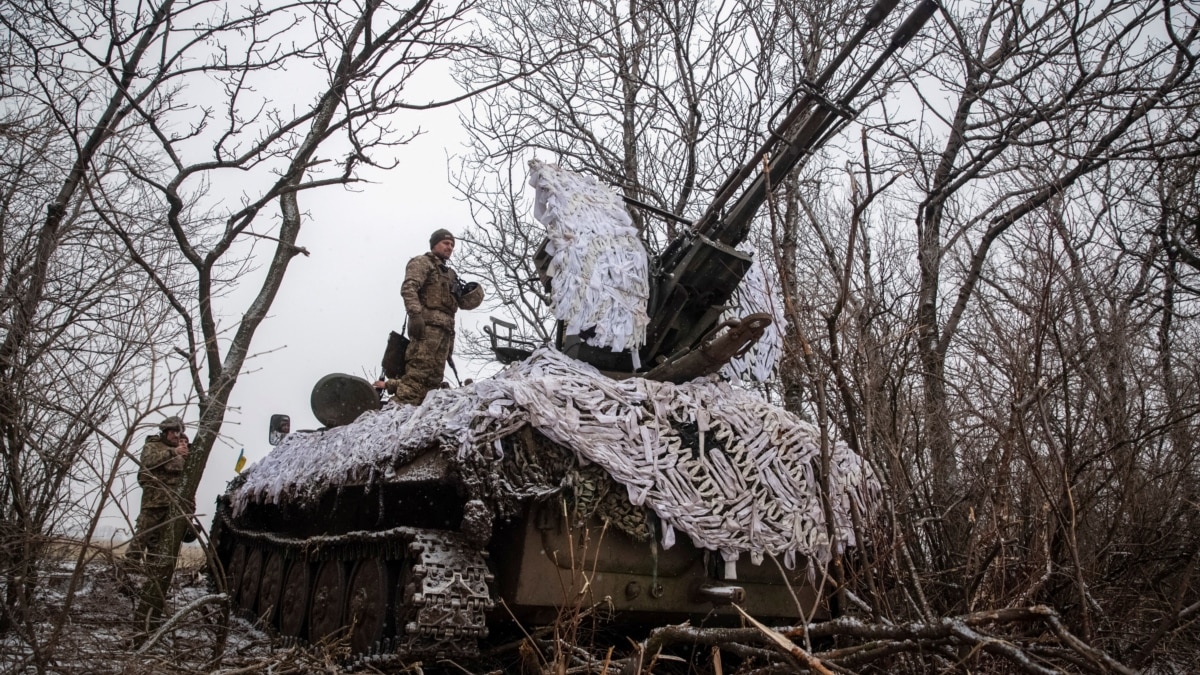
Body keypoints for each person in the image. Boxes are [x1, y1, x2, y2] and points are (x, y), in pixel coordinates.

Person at [376, 228, 484, 405]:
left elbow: (462, 304)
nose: (449, 247)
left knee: (433, 382)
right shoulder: (422, 262)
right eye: (445, 243)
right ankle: (397, 408)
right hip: (426, 329)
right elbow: (409, 288)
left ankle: (415, 412)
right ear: (435, 244)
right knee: (418, 376)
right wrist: (415, 314)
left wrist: (472, 292)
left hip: (446, 332)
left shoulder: (450, 274)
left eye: (452, 245)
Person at [128, 416, 191, 562]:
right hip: (153, 502)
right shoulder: (153, 446)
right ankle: (130, 567)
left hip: (172, 503)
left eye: (178, 432)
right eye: (173, 432)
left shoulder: (181, 451)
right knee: (142, 536)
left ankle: (151, 572)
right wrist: (173, 453)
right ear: (165, 432)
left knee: (158, 543)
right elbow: (148, 461)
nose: (176, 435)